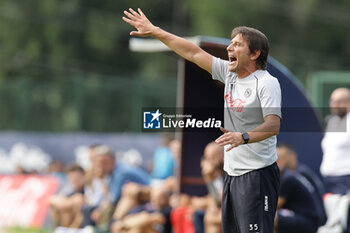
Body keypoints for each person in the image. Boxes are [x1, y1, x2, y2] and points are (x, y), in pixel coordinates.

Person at [123, 8, 282, 233]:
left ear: (255, 53)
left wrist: (242, 136)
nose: (229, 47)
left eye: (237, 44)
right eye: (230, 42)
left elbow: (273, 124)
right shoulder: (230, 74)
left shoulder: (267, 82)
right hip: (233, 175)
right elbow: (193, 53)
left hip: (258, 175)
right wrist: (156, 31)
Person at [275, 144, 326, 232]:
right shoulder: (291, 175)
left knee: (271, 216)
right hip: (310, 218)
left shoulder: (288, 178)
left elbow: (274, 206)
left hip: (310, 222)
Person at [320, 87, 350, 195]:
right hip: (328, 180)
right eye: (332, 101)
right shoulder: (332, 122)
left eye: (339, 101)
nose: (334, 104)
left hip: (345, 181)